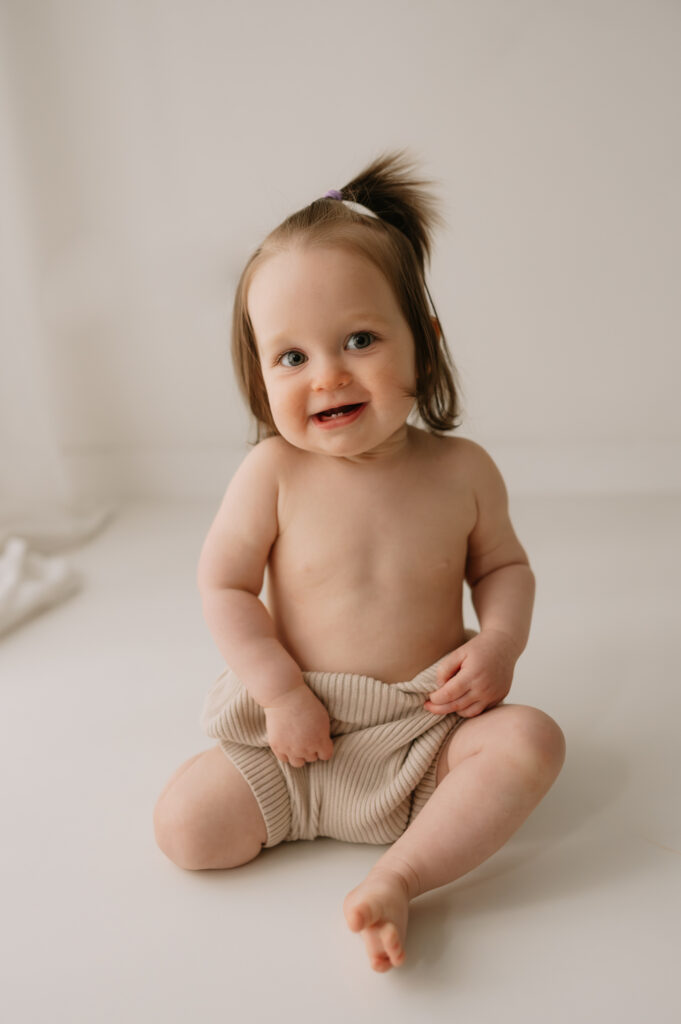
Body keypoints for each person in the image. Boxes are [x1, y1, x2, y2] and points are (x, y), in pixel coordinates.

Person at [153, 152, 566, 973]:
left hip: (425, 732)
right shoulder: (272, 474)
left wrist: (499, 644)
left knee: (531, 743)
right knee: (183, 830)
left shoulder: (462, 471)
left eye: (360, 339)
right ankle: (299, 815)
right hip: (298, 734)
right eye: (291, 357)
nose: (327, 375)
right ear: (258, 372)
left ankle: (400, 875)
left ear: (424, 342)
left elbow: (503, 569)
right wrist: (277, 691)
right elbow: (224, 584)